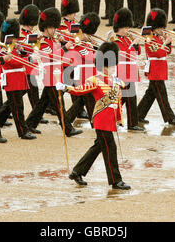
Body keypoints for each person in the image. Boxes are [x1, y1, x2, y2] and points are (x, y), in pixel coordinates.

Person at [56, 42, 131, 190]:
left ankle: (77, 171)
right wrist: (64, 87)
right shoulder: (95, 80)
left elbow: (122, 90)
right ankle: (116, 180)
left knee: (98, 147)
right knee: (110, 149)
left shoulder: (115, 81)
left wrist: (118, 119)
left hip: (109, 121)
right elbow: (79, 90)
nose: (114, 68)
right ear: (104, 66)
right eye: (112, 66)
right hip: (101, 120)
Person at [25, 7, 82, 137]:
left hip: (56, 74)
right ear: (45, 28)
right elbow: (50, 56)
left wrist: (63, 42)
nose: (54, 30)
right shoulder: (43, 42)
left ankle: (30, 124)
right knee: (59, 105)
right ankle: (67, 128)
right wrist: (64, 48)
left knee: (42, 103)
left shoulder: (52, 40)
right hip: (50, 76)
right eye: (51, 28)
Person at [137, 9, 175, 126]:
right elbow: (156, 53)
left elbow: (167, 52)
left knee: (150, 95)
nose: (162, 29)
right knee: (162, 95)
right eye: (160, 27)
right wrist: (165, 43)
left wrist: (168, 42)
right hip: (155, 70)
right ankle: (170, 118)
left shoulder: (158, 37)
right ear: (155, 27)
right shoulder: (149, 38)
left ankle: (138, 115)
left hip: (160, 68)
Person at [0, 18, 36, 140]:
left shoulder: (13, 45)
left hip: (19, 79)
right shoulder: (4, 46)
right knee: (18, 108)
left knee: (13, 106)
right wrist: (27, 60)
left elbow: (27, 52)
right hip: (12, 79)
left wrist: (22, 50)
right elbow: (13, 61)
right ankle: (22, 131)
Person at [111, 8, 144, 131]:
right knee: (129, 98)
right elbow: (126, 54)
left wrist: (135, 44)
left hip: (129, 71)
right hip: (123, 72)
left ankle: (115, 119)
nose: (127, 30)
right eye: (125, 28)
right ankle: (132, 124)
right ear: (119, 27)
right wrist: (133, 44)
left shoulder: (126, 39)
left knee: (126, 98)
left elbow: (137, 52)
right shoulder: (116, 41)